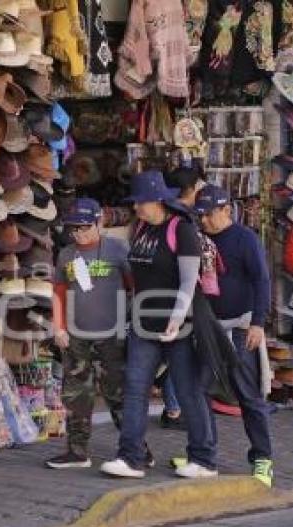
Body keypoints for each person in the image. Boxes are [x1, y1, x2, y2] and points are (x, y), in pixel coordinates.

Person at [101, 171, 216, 479]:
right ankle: (131, 457)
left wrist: (176, 319)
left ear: (156, 200)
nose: (136, 208)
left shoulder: (181, 230)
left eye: (140, 202)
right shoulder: (139, 228)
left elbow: (190, 280)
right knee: (135, 389)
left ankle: (203, 459)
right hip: (143, 323)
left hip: (179, 326)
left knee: (187, 391)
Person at [192, 185, 273, 486]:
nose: (204, 221)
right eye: (200, 215)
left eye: (209, 215)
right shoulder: (198, 239)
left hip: (240, 327)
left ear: (226, 210)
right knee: (198, 390)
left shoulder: (245, 239)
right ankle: (203, 454)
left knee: (247, 395)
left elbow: (262, 280)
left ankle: (263, 458)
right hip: (208, 326)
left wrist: (258, 323)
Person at [46, 198, 135, 469]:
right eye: (73, 229)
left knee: (117, 393)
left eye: (84, 227)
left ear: (99, 222)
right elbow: (58, 293)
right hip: (76, 335)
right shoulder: (66, 255)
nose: (79, 233)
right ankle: (77, 450)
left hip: (112, 335)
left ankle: (135, 448)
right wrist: (58, 326)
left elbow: (134, 288)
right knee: (75, 395)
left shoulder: (118, 249)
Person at [156, 165, 206, 429]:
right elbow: (188, 275)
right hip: (179, 298)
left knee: (172, 354)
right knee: (179, 352)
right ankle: (176, 408)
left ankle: (173, 406)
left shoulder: (167, 217)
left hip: (162, 298)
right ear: (191, 187)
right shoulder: (181, 220)